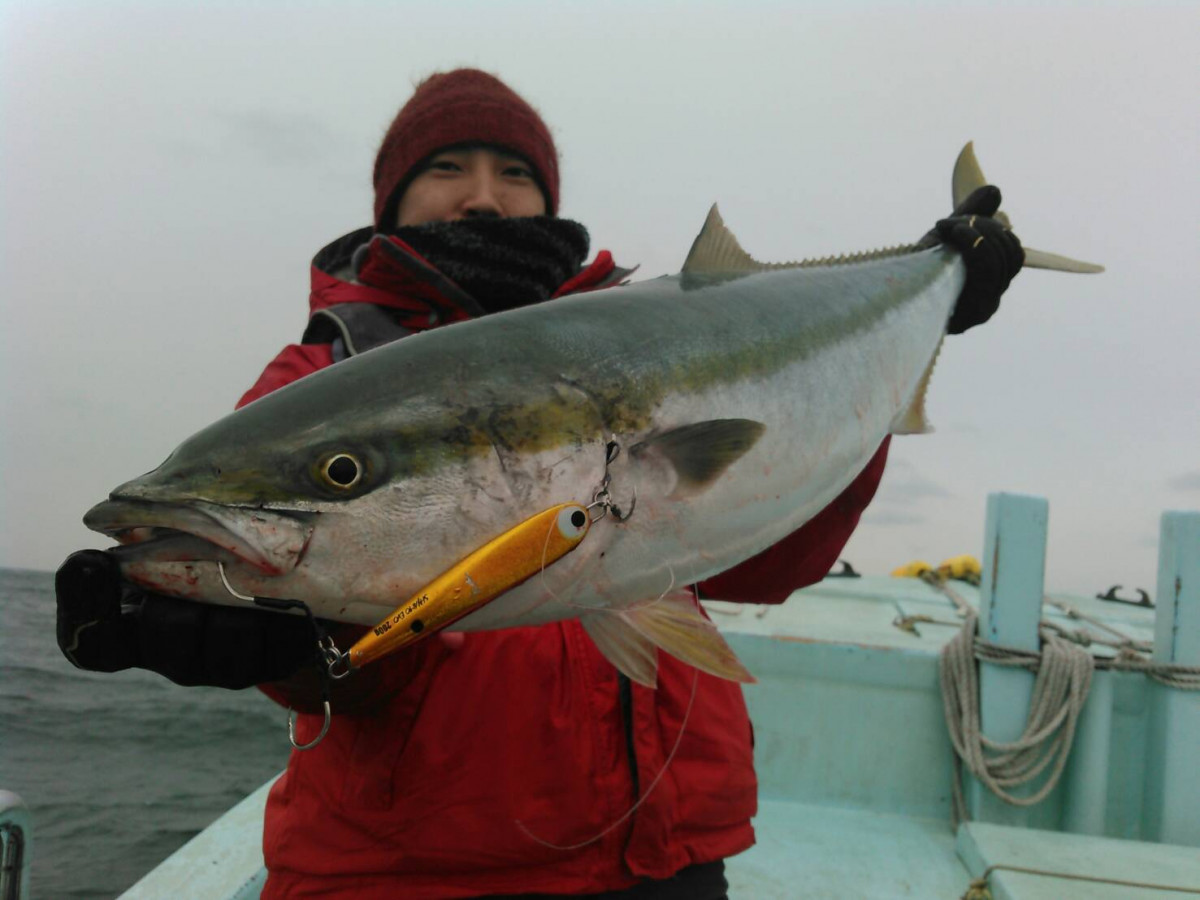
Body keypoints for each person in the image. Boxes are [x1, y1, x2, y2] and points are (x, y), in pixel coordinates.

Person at [56, 69, 1023, 898]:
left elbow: (766, 565)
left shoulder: (648, 326)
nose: (484, 195)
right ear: (389, 201)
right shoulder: (319, 381)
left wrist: (923, 317)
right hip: (408, 869)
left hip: (669, 850)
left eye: (514, 173)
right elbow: (329, 666)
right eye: (448, 168)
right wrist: (258, 634)